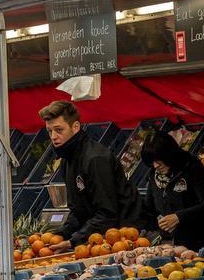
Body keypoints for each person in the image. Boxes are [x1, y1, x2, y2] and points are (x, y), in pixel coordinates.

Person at [40, 100, 144, 245]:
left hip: (125, 236)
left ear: (75, 127)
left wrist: (74, 240)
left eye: (59, 130)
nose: (53, 136)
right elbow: (78, 211)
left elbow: (107, 213)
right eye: (49, 131)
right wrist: (61, 234)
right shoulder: (67, 160)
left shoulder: (95, 159)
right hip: (100, 236)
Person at [140, 131, 204, 250]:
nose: (156, 165)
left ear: (169, 155)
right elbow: (150, 208)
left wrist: (179, 217)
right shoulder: (154, 175)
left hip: (199, 243)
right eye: (152, 162)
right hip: (169, 245)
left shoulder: (192, 168)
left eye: (159, 160)